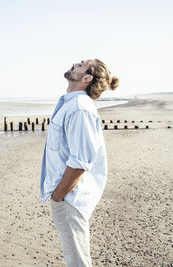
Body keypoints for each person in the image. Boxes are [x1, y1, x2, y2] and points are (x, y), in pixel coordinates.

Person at [40, 59, 119, 266]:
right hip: (67, 197)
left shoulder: (79, 108)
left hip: (70, 199)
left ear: (86, 78)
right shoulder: (72, 104)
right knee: (75, 258)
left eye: (82, 64)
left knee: (78, 261)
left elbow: (80, 161)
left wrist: (58, 195)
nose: (74, 63)